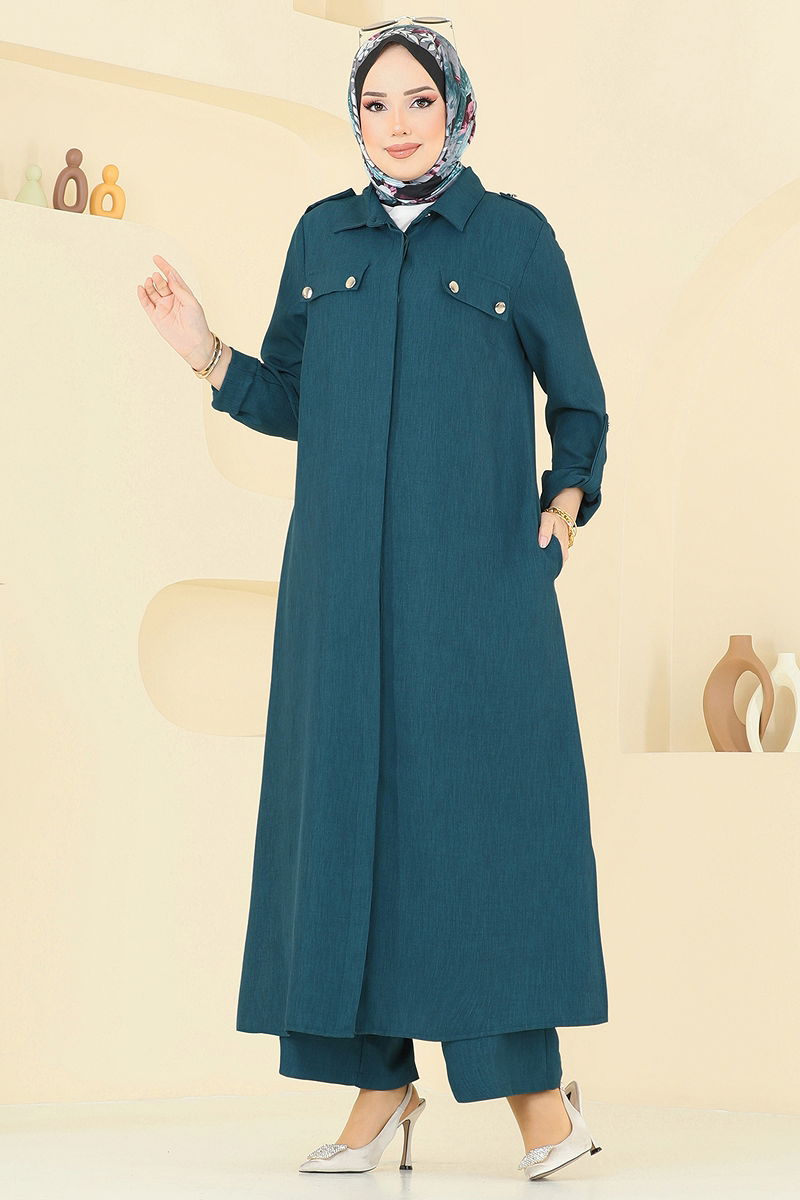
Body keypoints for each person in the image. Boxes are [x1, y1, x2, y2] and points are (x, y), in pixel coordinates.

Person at [137, 20, 609, 1183]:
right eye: (375, 104)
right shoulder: (323, 235)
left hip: (476, 590)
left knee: (481, 830)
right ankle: (378, 1086)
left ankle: (537, 1100)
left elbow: (578, 401)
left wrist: (561, 505)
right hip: (342, 593)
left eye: (417, 100)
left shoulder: (510, 237)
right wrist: (205, 353)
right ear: (355, 119)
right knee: (345, 822)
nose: (396, 124)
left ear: (455, 109)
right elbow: (294, 399)